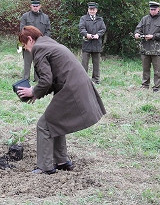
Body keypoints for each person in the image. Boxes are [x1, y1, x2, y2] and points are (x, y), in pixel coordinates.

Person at [16, 25, 106, 174]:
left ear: (30, 40)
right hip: (75, 85)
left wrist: (33, 90)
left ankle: (45, 167)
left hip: (71, 88)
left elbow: (46, 80)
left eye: (24, 45)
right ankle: (62, 161)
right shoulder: (48, 42)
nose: (25, 48)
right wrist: (36, 94)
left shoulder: (39, 49)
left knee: (44, 125)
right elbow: (51, 80)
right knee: (55, 121)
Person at [134, 1, 160, 92]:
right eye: (151, 9)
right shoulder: (145, 19)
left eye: (154, 9)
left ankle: (156, 87)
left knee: (157, 70)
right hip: (145, 48)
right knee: (145, 68)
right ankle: (145, 85)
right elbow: (138, 28)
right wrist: (137, 33)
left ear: (158, 9)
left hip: (157, 50)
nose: (152, 11)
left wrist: (153, 36)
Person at [19, 0, 51, 81]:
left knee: (39, 62)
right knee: (27, 63)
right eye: (34, 6)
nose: (35, 8)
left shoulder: (45, 17)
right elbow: (22, 29)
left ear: (40, 6)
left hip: (40, 44)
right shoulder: (25, 16)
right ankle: (26, 79)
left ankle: (38, 79)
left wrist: (43, 40)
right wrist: (27, 41)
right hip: (28, 43)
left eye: (37, 6)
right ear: (31, 6)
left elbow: (48, 30)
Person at [78, 2, 107, 84]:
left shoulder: (100, 19)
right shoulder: (83, 18)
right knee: (84, 63)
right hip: (86, 44)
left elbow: (103, 29)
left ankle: (96, 80)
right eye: (90, 9)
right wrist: (87, 35)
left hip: (96, 44)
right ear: (88, 10)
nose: (92, 11)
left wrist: (98, 35)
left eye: (93, 9)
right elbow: (81, 28)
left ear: (96, 10)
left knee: (96, 64)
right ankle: (83, 80)